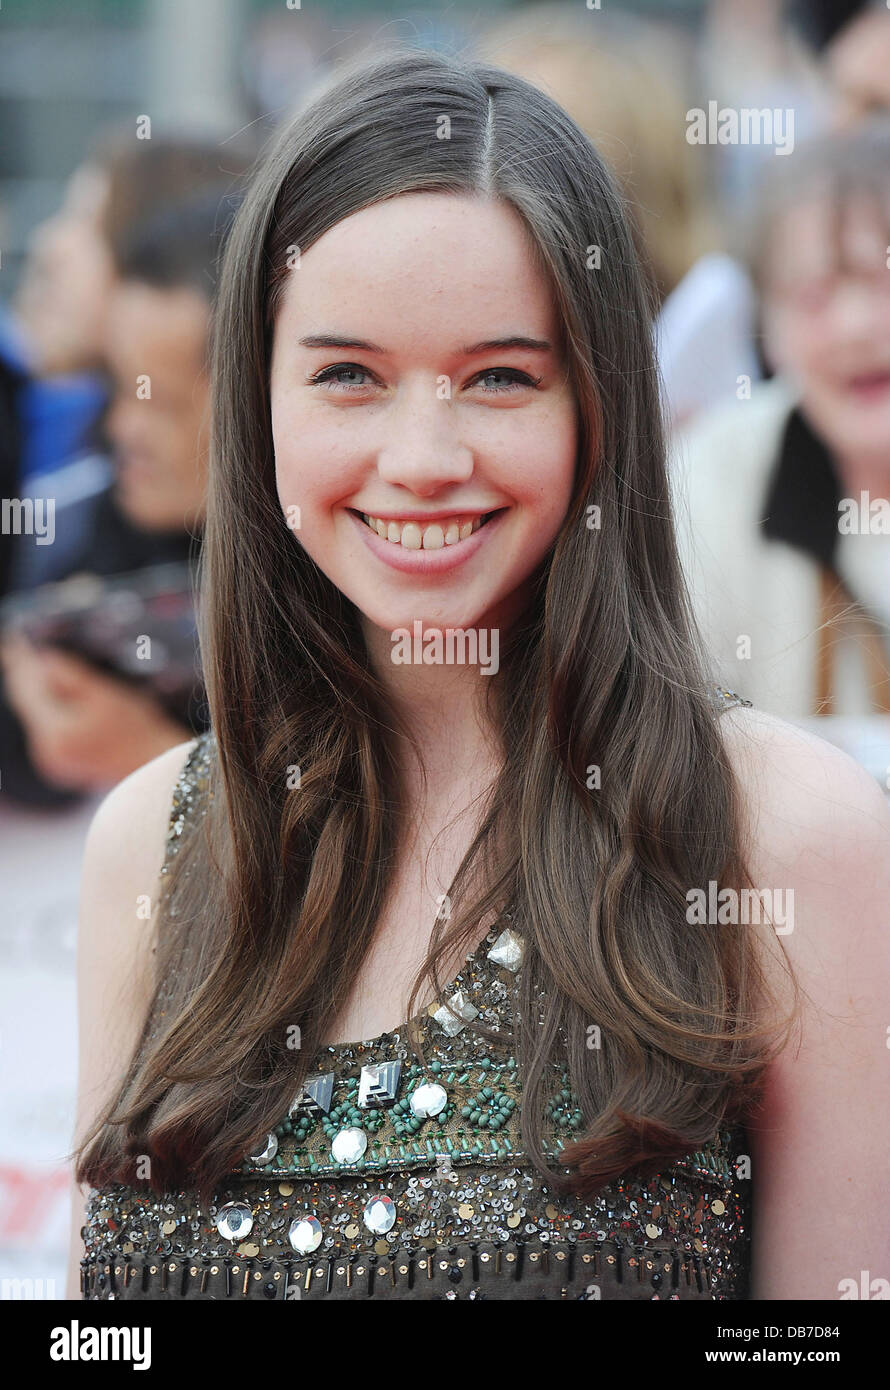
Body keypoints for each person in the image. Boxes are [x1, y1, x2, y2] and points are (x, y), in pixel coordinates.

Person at [66, 46, 889, 1301]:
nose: (423, 455)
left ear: (597, 405)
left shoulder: (782, 836)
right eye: (348, 375)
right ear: (257, 403)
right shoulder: (159, 841)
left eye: (500, 376)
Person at [0, 184, 245, 794]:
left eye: (160, 402)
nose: (121, 428)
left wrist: (153, 757)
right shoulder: (76, 534)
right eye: (117, 385)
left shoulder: (338, 589)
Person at [673, 117, 890, 718]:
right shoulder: (715, 476)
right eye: (814, 295)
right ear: (770, 334)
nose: (856, 326)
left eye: (883, 280)